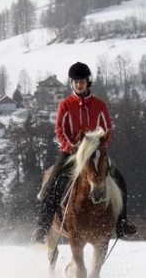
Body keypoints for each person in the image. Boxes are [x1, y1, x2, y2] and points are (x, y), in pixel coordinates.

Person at [32, 61, 137, 243]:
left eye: (82, 81)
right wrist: (70, 146)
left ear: (88, 82)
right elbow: (59, 129)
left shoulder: (99, 105)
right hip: (70, 153)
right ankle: (43, 225)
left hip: (95, 154)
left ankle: (122, 222)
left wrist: (101, 146)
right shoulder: (65, 105)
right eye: (75, 82)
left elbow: (107, 129)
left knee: (120, 181)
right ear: (72, 83)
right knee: (51, 184)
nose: (78, 84)